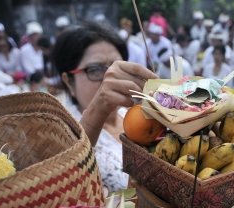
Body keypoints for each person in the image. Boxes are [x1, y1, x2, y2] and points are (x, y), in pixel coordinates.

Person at [53, 21, 158, 193]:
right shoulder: (58, 132)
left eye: (117, 69)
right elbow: (59, 181)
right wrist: (98, 111)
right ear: (68, 82)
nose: (111, 78)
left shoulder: (133, 114)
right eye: (95, 70)